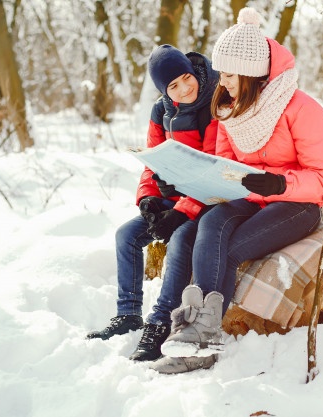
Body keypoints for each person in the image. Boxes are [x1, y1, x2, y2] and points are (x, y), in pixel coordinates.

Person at [151, 7, 323, 374]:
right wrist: (212, 180)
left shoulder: (302, 108)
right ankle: (197, 332)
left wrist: (282, 182)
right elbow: (223, 162)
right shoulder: (228, 109)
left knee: (232, 249)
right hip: (248, 197)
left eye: (230, 73)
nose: (223, 81)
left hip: (296, 203)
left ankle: (201, 337)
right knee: (212, 224)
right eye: (221, 72)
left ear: (252, 72)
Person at [86, 44, 219, 362]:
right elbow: (153, 162)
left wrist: (179, 213)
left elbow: (213, 171)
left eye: (187, 78)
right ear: (164, 91)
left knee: (177, 242)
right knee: (126, 236)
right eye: (174, 85)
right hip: (169, 199)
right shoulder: (162, 111)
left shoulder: (215, 103)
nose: (185, 88)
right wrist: (148, 200)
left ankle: (159, 325)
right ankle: (128, 314)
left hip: (204, 202)